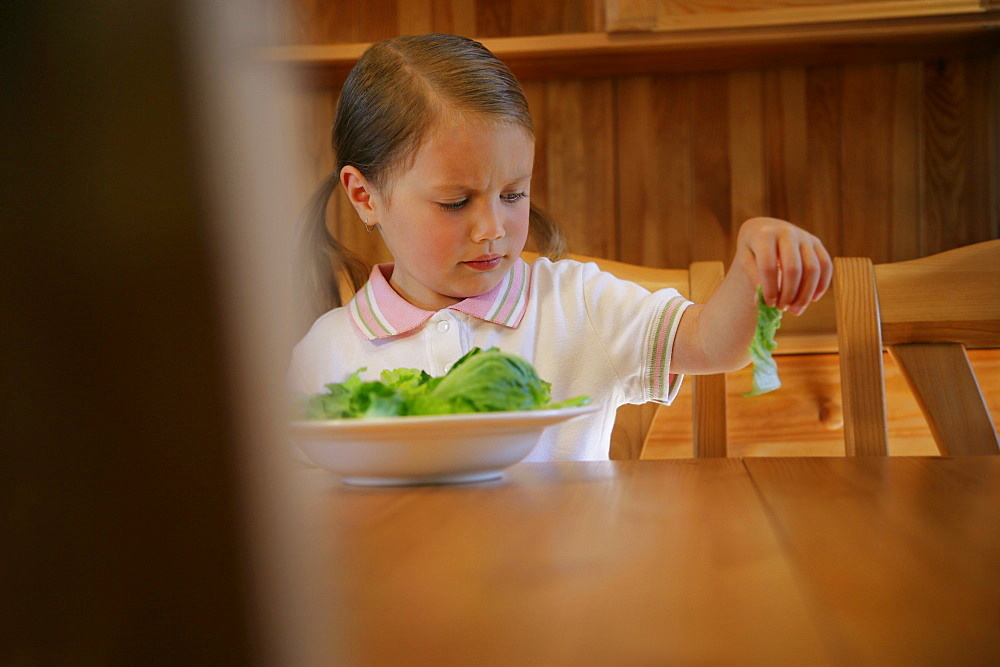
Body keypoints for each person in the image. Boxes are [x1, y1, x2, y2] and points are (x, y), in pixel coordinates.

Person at [288, 33, 832, 461]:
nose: (492, 228)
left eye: (512, 194)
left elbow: (715, 345)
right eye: (455, 202)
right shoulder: (326, 354)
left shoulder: (577, 305)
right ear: (364, 196)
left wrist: (754, 260)